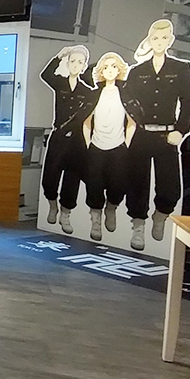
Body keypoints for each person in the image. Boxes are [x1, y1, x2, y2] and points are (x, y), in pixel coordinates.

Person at [123, 18, 190, 249]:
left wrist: (181, 130)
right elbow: (126, 98)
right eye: (155, 38)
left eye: (164, 38)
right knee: (137, 182)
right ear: (149, 40)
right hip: (141, 134)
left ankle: (161, 215)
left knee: (170, 187)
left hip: (167, 135)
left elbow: (188, 102)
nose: (160, 42)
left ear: (171, 40)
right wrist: (133, 122)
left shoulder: (181, 68)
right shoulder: (137, 71)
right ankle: (138, 227)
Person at [39, 44, 94, 234]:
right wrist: (59, 55)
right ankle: (52, 205)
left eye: (80, 62)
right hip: (58, 136)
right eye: (72, 61)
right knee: (50, 176)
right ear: (68, 63)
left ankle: (65, 213)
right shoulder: (60, 83)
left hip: (77, 140)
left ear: (84, 65)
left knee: (72, 178)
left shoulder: (88, 91)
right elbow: (45, 75)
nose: (75, 65)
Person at [83, 52, 134, 242]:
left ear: (119, 69)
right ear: (101, 71)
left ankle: (111, 208)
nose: (110, 70)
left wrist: (126, 144)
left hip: (118, 147)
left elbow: (132, 121)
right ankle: (95, 221)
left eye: (113, 66)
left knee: (118, 185)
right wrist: (88, 144)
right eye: (106, 67)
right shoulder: (94, 94)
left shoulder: (125, 94)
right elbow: (86, 121)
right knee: (94, 186)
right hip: (96, 146)